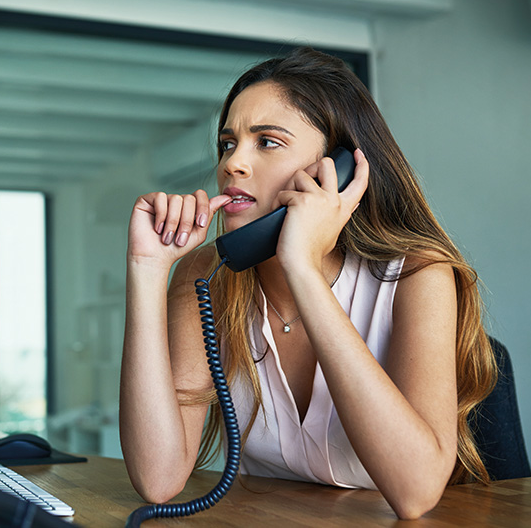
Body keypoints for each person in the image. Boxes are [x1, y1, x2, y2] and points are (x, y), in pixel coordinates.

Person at [119, 46, 497, 520]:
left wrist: (302, 267)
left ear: (334, 169)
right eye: (227, 143)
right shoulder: (204, 276)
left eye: (268, 142)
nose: (232, 163)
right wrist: (148, 269)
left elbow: (415, 492)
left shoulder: (418, 275)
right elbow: (158, 479)